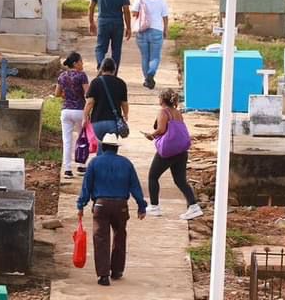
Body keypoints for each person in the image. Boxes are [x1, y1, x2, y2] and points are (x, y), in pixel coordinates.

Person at [77, 132, 147, 286]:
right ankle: (117, 270)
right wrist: (142, 206)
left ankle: (103, 276)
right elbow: (135, 187)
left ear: (103, 147)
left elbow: (86, 187)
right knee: (119, 235)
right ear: (116, 148)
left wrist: (81, 205)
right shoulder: (126, 164)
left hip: (100, 205)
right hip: (121, 206)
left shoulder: (94, 163)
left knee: (101, 239)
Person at [143, 89, 203, 220]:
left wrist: (151, 135)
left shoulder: (163, 112)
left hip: (168, 151)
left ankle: (154, 206)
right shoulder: (177, 112)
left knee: (153, 176)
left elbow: (161, 129)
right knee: (180, 180)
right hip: (181, 151)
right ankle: (194, 207)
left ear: (162, 99)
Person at [83, 58, 129, 173]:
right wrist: (125, 115)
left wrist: (85, 117)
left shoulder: (96, 82)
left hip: (97, 122)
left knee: (100, 147)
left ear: (102, 68)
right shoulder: (121, 83)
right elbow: (124, 104)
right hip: (113, 122)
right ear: (114, 69)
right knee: (111, 149)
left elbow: (89, 103)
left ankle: (98, 171)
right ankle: (108, 171)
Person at [89, 0, 131, 72]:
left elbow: (91, 6)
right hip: (117, 23)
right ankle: (114, 72)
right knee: (116, 50)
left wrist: (91, 22)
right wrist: (129, 27)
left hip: (103, 21)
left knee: (100, 48)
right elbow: (126, 11)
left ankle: (101, 67)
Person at [55, 52, 89, 179]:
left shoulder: (62, 76)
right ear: (75, 63)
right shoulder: (82, 76)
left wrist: (66, 94)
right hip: (80, 110)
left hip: (66, 111)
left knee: (67, 140)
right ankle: (81, 165)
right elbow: (87, 93)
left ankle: (67, 169)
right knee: (82, 139)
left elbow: (57, 93)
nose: (82, 64)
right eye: (81, 61)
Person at [131, 0, 169, 89]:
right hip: (157, 30)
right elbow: (165, 16)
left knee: (144, 57)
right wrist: (165, 29)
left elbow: (134, 13)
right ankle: (150, 75)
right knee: (155, 56)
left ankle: (147, 79)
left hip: (142, 30)